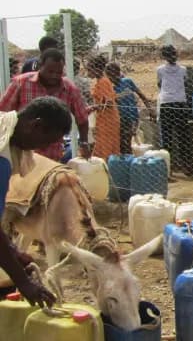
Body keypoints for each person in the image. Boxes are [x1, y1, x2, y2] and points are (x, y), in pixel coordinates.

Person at [0, 96, 72, 307]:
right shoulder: (2, 161)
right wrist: (24, 283)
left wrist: (13, 252)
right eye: (46, 141)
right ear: (36, 125)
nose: (42, 149)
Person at [0, 48, 90, 161]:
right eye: (50, 71)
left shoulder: (69, 89)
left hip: (52, 155)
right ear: (40, 66)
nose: (54, 76)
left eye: (59, 72)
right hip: (22, 154)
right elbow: (3, 114)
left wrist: (84, 143)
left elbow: (82, 119)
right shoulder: (21, 83)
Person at [107, 62, 151, 155]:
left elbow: (141, 94)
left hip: (133, 116)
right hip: (121, 119)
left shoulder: (128, 82)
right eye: (109, 75)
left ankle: (130, 160)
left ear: (118, 73)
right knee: (124, 142)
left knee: (129, 140)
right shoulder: (110, 88)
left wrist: (150, 109)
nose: (111, 78)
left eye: (113, 74)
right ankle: (127, 161)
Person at [157, 45, 188, 171]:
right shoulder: (183, 70)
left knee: (167, 137)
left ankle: (167, 168)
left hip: (166, 103)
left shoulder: (160, 70)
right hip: (179, 103)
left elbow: (159, 84)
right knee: (183, 135)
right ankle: (186, 166)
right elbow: (185, 83)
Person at [86, 55, 120, 161]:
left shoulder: (103, 82)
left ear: (96, 69)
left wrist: (94, 107)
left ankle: (108, 172)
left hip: (108, 120)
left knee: (107, 148)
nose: (87, 73)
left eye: (89, 70)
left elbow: (108, 103)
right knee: (103, 147)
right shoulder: (100, 81)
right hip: (103, 119)